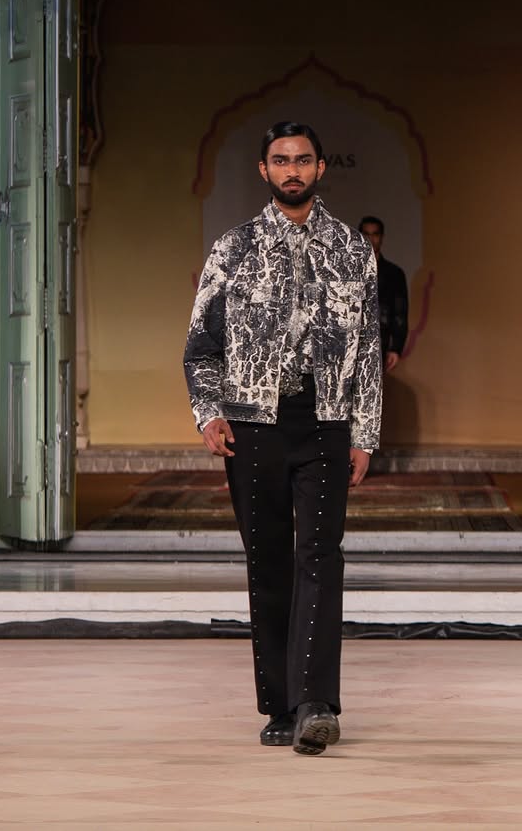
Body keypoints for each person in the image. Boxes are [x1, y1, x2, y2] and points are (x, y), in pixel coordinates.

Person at [184, 120, 382, 756]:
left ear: (321, 168)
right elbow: (201, 347)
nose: (291, 170)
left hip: (325, 421)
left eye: (302, 160)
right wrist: (209, 414)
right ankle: (280, 704)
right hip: (252, 425)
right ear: (263, 170)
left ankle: (317, 703)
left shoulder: (352, 249)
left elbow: (368, 348)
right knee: (268, 561)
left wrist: (366, 433)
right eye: (280, 160)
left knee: (321, 556)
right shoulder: (233, 248)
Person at [357, 216, 408, 372]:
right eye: (366, 234)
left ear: (381, 237)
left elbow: (400, 313)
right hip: (350, 342)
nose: (371, 239)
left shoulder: (394, 274)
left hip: (380, 341)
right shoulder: (347, 271)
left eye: (375, 234)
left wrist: (395, 348)